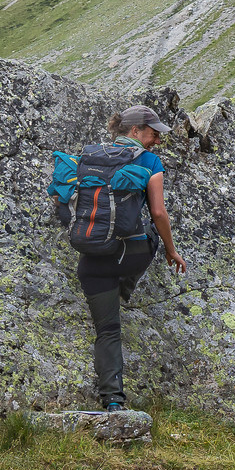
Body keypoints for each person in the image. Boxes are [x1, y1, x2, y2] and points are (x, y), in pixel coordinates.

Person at [77, 105, 186, 412]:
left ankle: (112, 401)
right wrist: (171, 249)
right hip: (129, 255)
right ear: (136, 131)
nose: (157, 141)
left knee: (108, 331)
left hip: (91, 260)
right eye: (153, 134)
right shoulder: (148, 160)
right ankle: (125, 284)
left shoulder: (90, 155)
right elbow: (158, 213)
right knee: (152, 232)